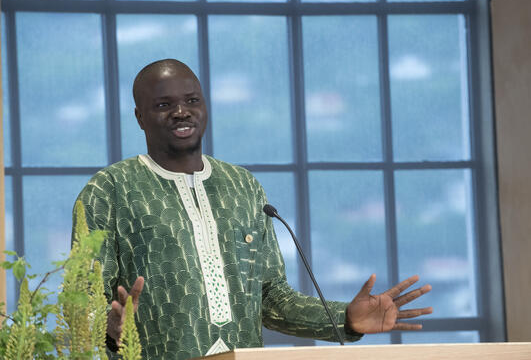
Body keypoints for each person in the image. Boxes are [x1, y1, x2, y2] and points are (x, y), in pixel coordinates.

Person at [73, 59, 432, 360]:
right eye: (163, 105)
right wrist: (103, 325)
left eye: (192, 100)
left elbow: (273, 299)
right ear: (139, 117)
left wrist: (345, 320)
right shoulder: (109, 191)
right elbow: (80, 298)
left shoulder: (243, 186)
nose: (181, 112)